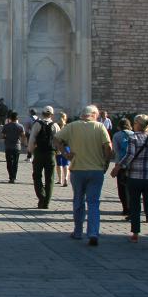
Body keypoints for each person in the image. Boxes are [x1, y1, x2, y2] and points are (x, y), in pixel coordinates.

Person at [54, 105, 113, 246]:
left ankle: (78, 231)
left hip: (77, 169)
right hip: (96, 170)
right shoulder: (99, 127)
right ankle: (93, 233)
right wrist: (106, 161)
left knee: (78, 200)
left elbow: (56, 139)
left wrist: (65, 153)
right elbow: (108, 147)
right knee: (93, 202)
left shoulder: (72, 126)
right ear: (94, 115)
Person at [111, 114, 148, 246]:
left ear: (137, 125)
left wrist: (118, 167)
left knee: (135, 205)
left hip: (135, 177)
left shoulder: (133, 137)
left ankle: (135, 234)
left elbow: (129, 155)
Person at [28, 105, 60, 209]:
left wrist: (30, 151)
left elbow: (32, 138)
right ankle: (46, 202)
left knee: (37, 175)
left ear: (42, 114)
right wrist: (58, 152)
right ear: (52, 115)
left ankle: (41, 196)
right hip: (50, 153)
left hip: (39, 153)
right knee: (50, 178)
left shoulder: (37, 124)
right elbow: (59, 140)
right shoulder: (55, 125)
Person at [111, 118, 133, 216]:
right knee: (132, 187)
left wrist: (117, 165)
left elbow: (116, 150)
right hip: (132, 164)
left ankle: (125, 208)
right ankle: (132, 207)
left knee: (122, 187)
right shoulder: (134, 134)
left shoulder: (117, 135)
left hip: (121, 164)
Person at [0, 111, 26, 183]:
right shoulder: (20, 126)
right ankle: (14, 177)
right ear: (17, 118)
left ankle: (11, 176)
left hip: (8, 146)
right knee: (15, 162)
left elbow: (2, 135)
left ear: (10, 118)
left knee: (9, 162)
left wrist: (6, 136)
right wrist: (24, 143)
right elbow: (23, 135)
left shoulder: (6, 126)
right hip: (17, 147)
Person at [54, 112, 70, 187]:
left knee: (59, 164)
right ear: (65, 118)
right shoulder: (68, 127)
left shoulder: (56, 126)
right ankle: (65, 178)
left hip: (58, 147)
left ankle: (60, 179)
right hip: (66, 147)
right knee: (65, 164)